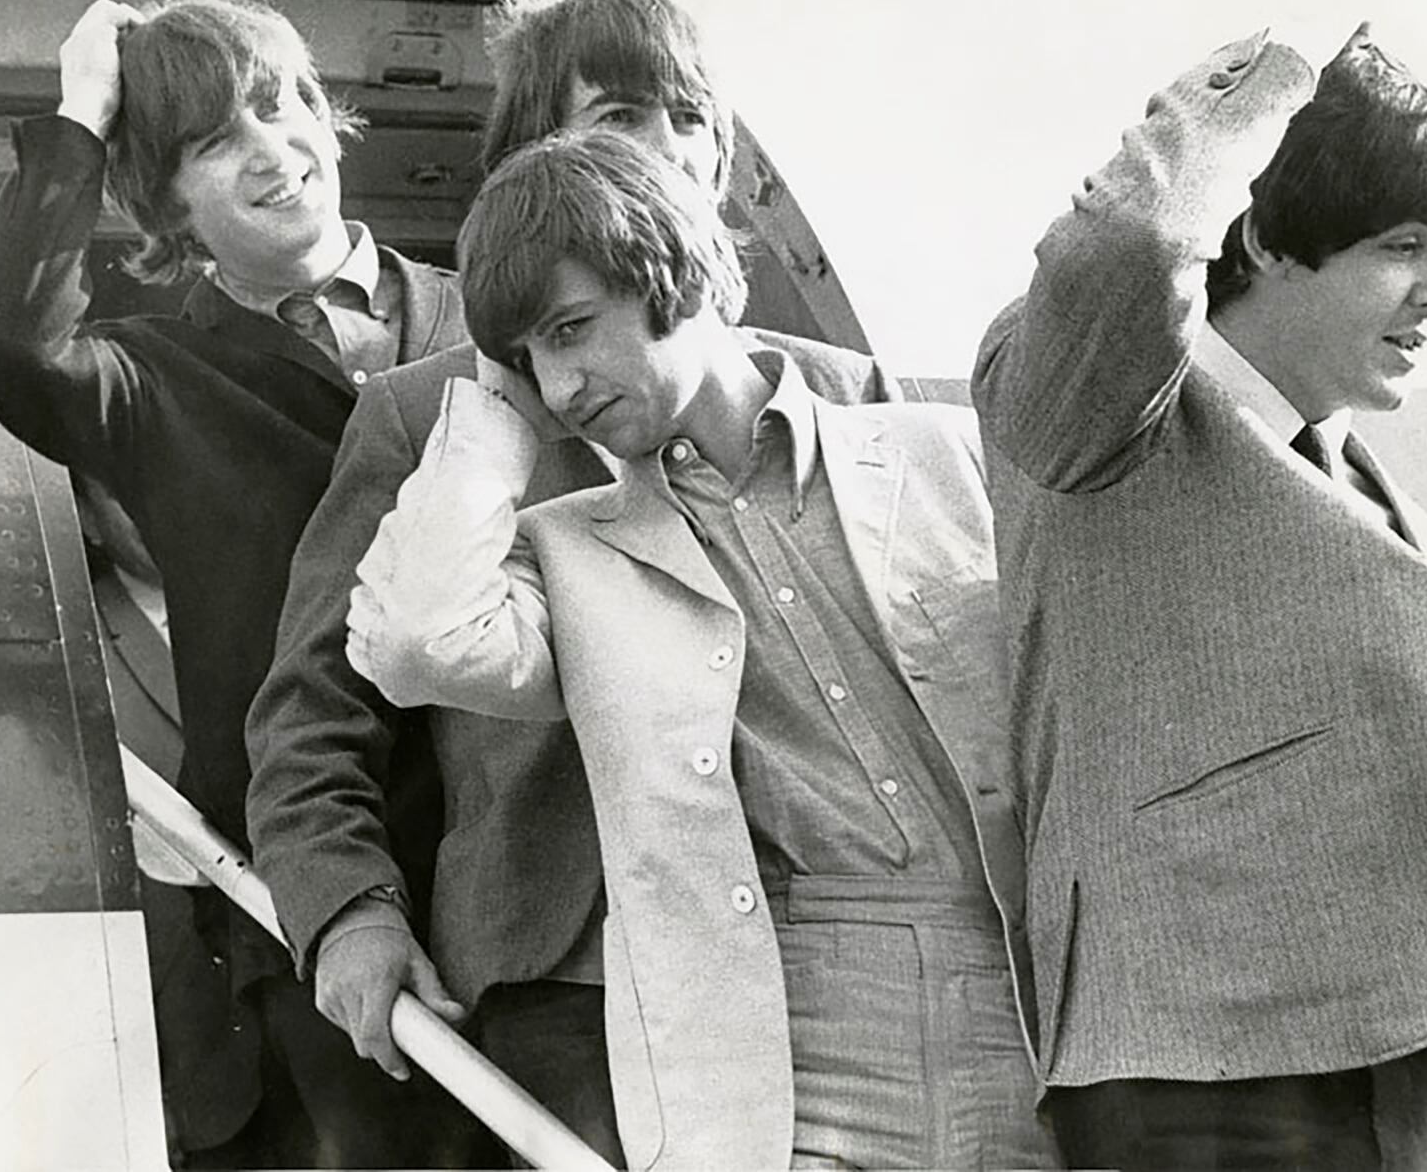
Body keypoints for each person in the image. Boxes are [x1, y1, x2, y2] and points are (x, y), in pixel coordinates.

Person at [245, 0, 897, 1166]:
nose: (659, 152)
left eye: (685, 120)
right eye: (613, 123)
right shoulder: (421, 416)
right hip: (575, 973)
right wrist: (347, 909)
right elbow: (312, 708)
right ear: (531, 162)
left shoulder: (844, 391)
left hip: (842, 951)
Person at [341, 128, 1061, 1169]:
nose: (562, 384)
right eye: (529, 360)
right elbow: (412, 640)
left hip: (1018, 1004)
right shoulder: (572, 550)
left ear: (668, 273)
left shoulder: (940, 451)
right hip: (784, 1045)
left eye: (574, 327)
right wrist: (487, 429)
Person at [0, 0, 492, 1168]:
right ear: (163, 200)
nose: (272, 149)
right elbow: (4, 343)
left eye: (284, 103)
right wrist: (81, 117)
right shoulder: (151, 378)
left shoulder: (493, 314)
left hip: (548, 893)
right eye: (212, 141)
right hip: (323, 903)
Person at [972, 24, 1427, 1168]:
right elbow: (1121, 245)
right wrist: (1272, 81)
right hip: (1189, 1079)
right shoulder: (1099, 412)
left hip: (1378, 1067)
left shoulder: (1369, 485)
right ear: (1268, 239)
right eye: (1402, 245)